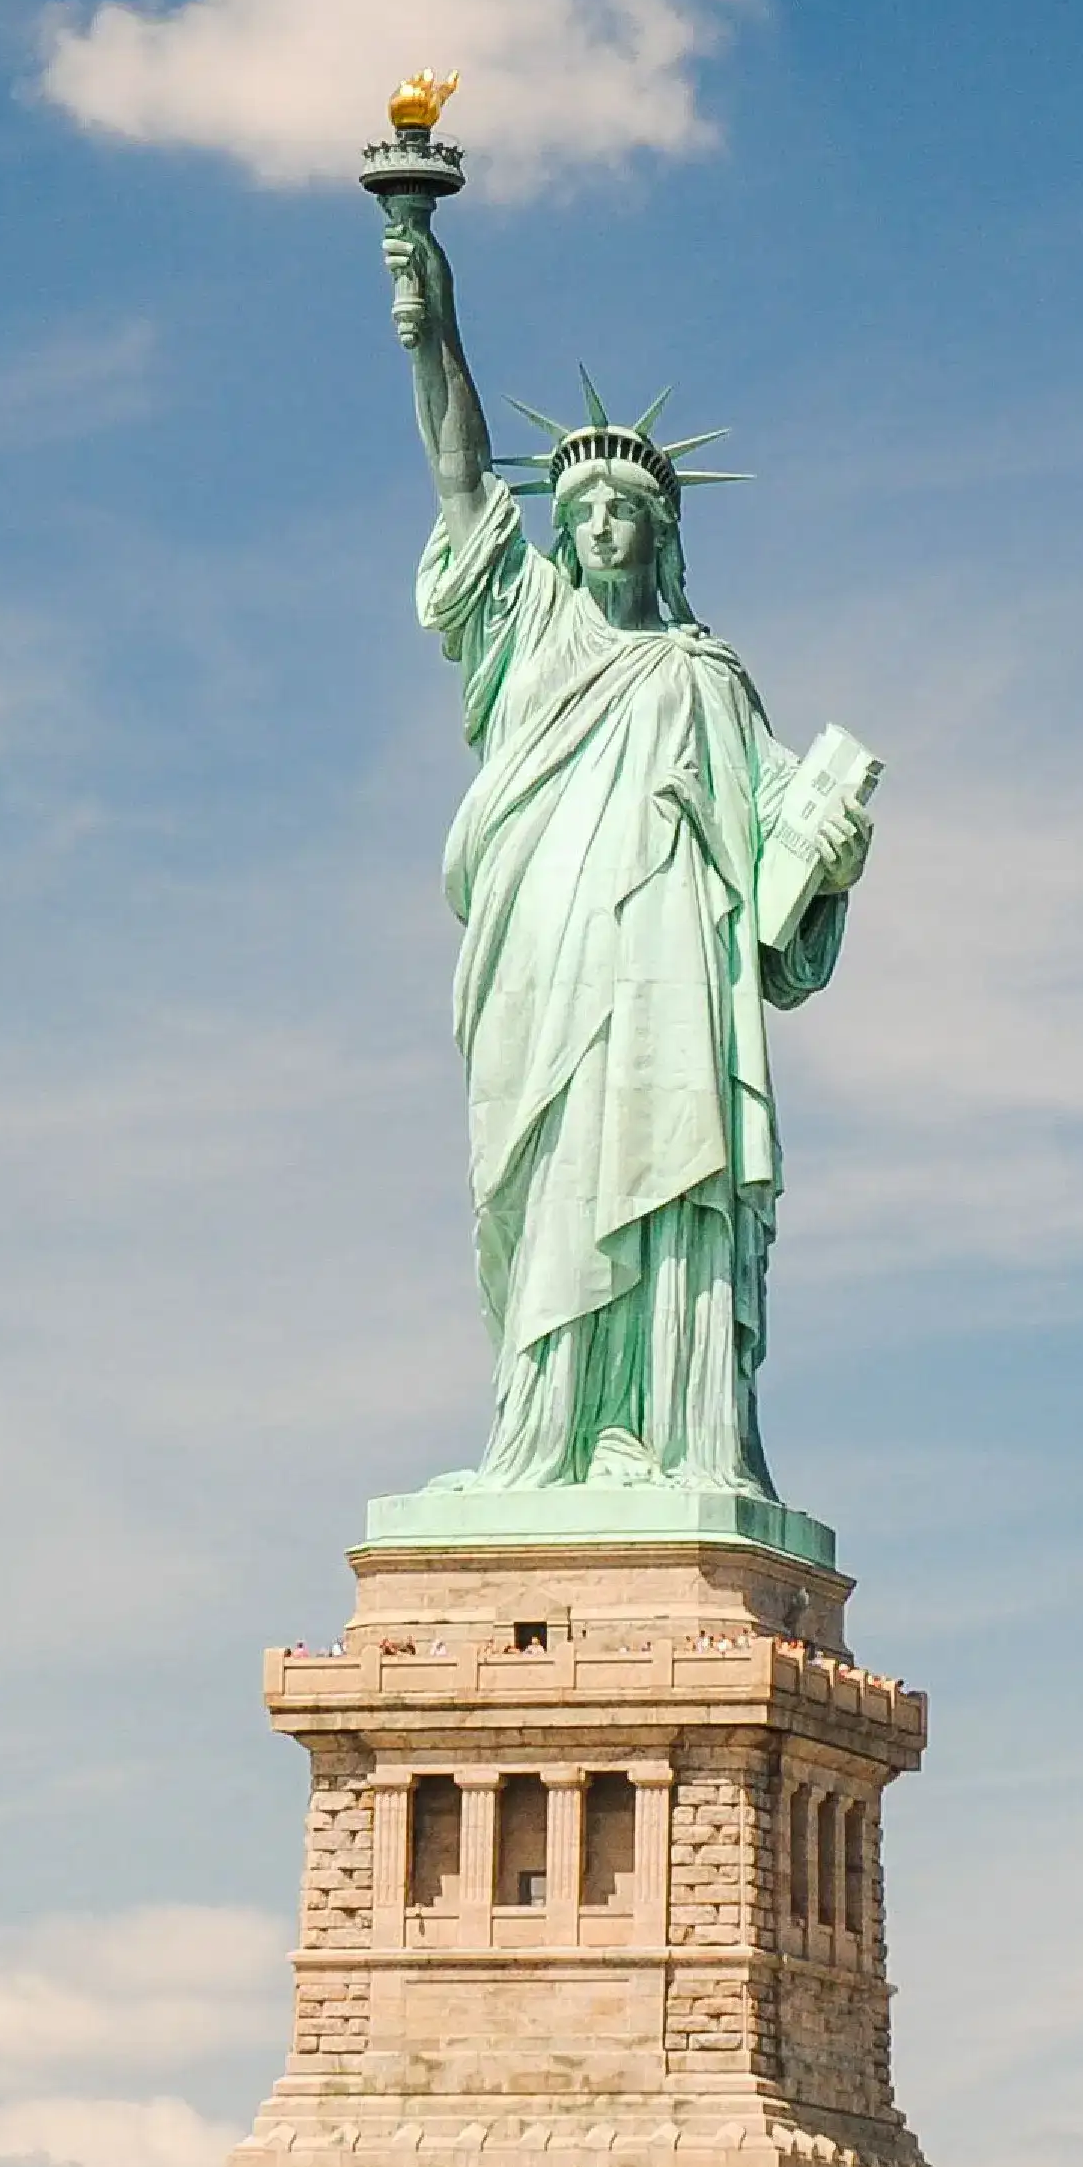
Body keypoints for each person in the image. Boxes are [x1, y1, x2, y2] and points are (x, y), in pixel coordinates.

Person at [381, 209, 872, 1498]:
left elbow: (781, 873)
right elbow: (461, 472)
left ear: (662, 535)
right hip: (543, 954)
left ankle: (665, 1433)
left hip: (667, 975)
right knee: (547, 1177)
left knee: (663, 1178)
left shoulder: (708, 676)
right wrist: (431, 312)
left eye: (625, 512)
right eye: (583, 510)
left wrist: (830, 843)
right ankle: (538, 1437)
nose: (600, 528)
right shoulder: (530, 626)